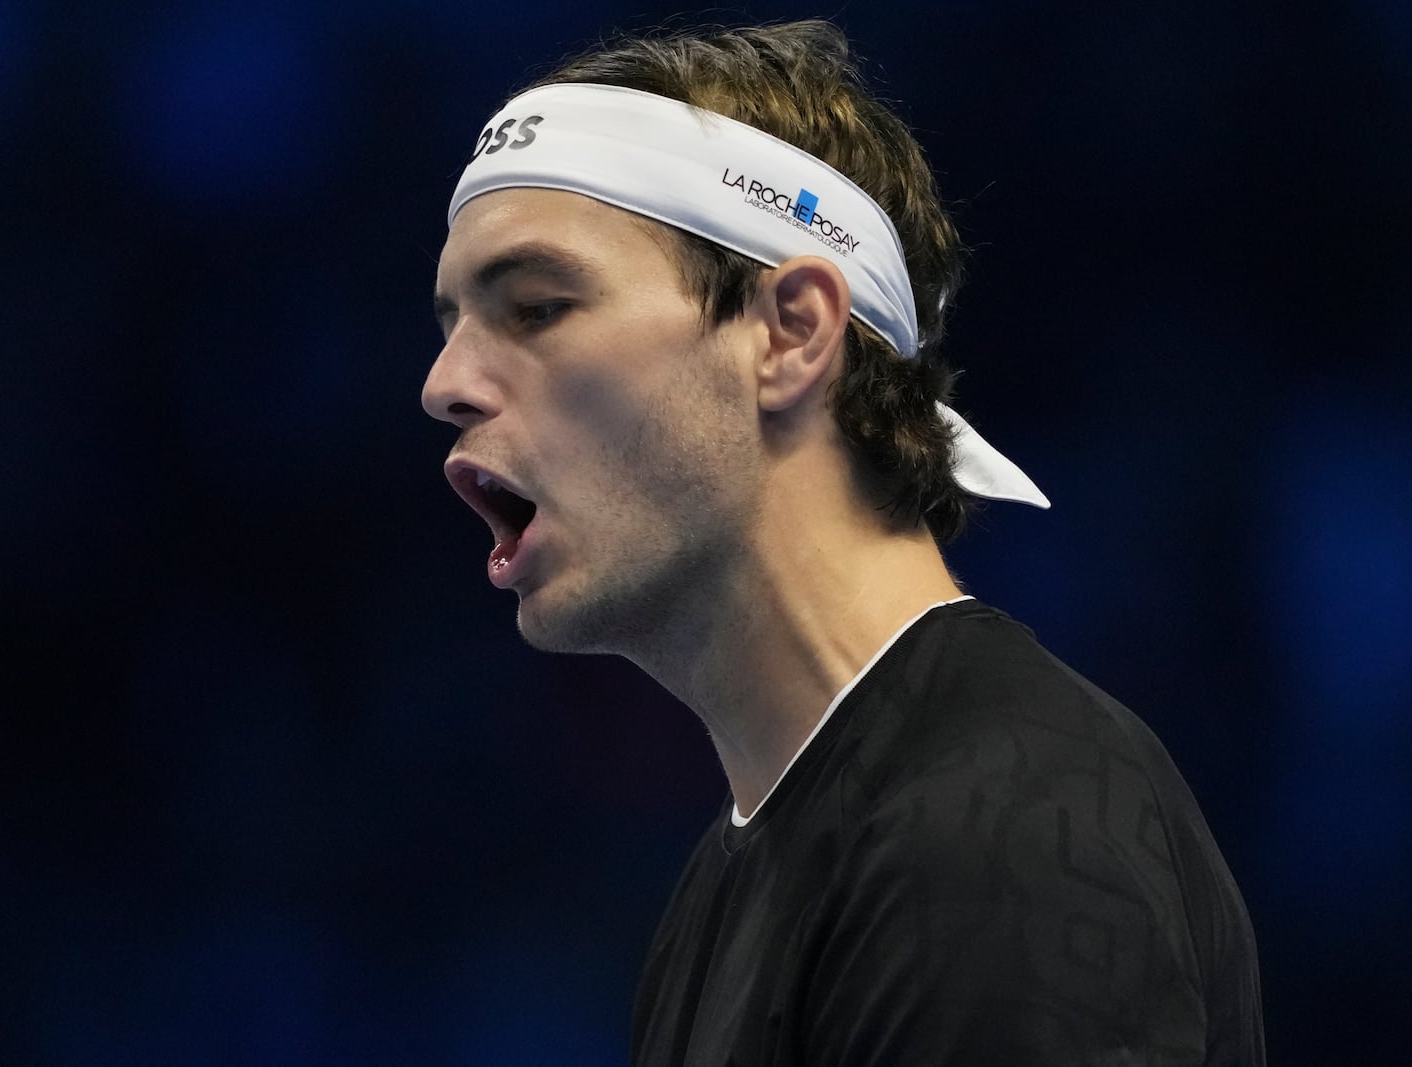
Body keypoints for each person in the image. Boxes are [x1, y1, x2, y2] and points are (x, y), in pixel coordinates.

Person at [422, 19, 1264, 1066]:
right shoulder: (742, 870)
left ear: (791, 332)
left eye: (539, 306)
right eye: (451, 320)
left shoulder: (993, 833)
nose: (444, 383)